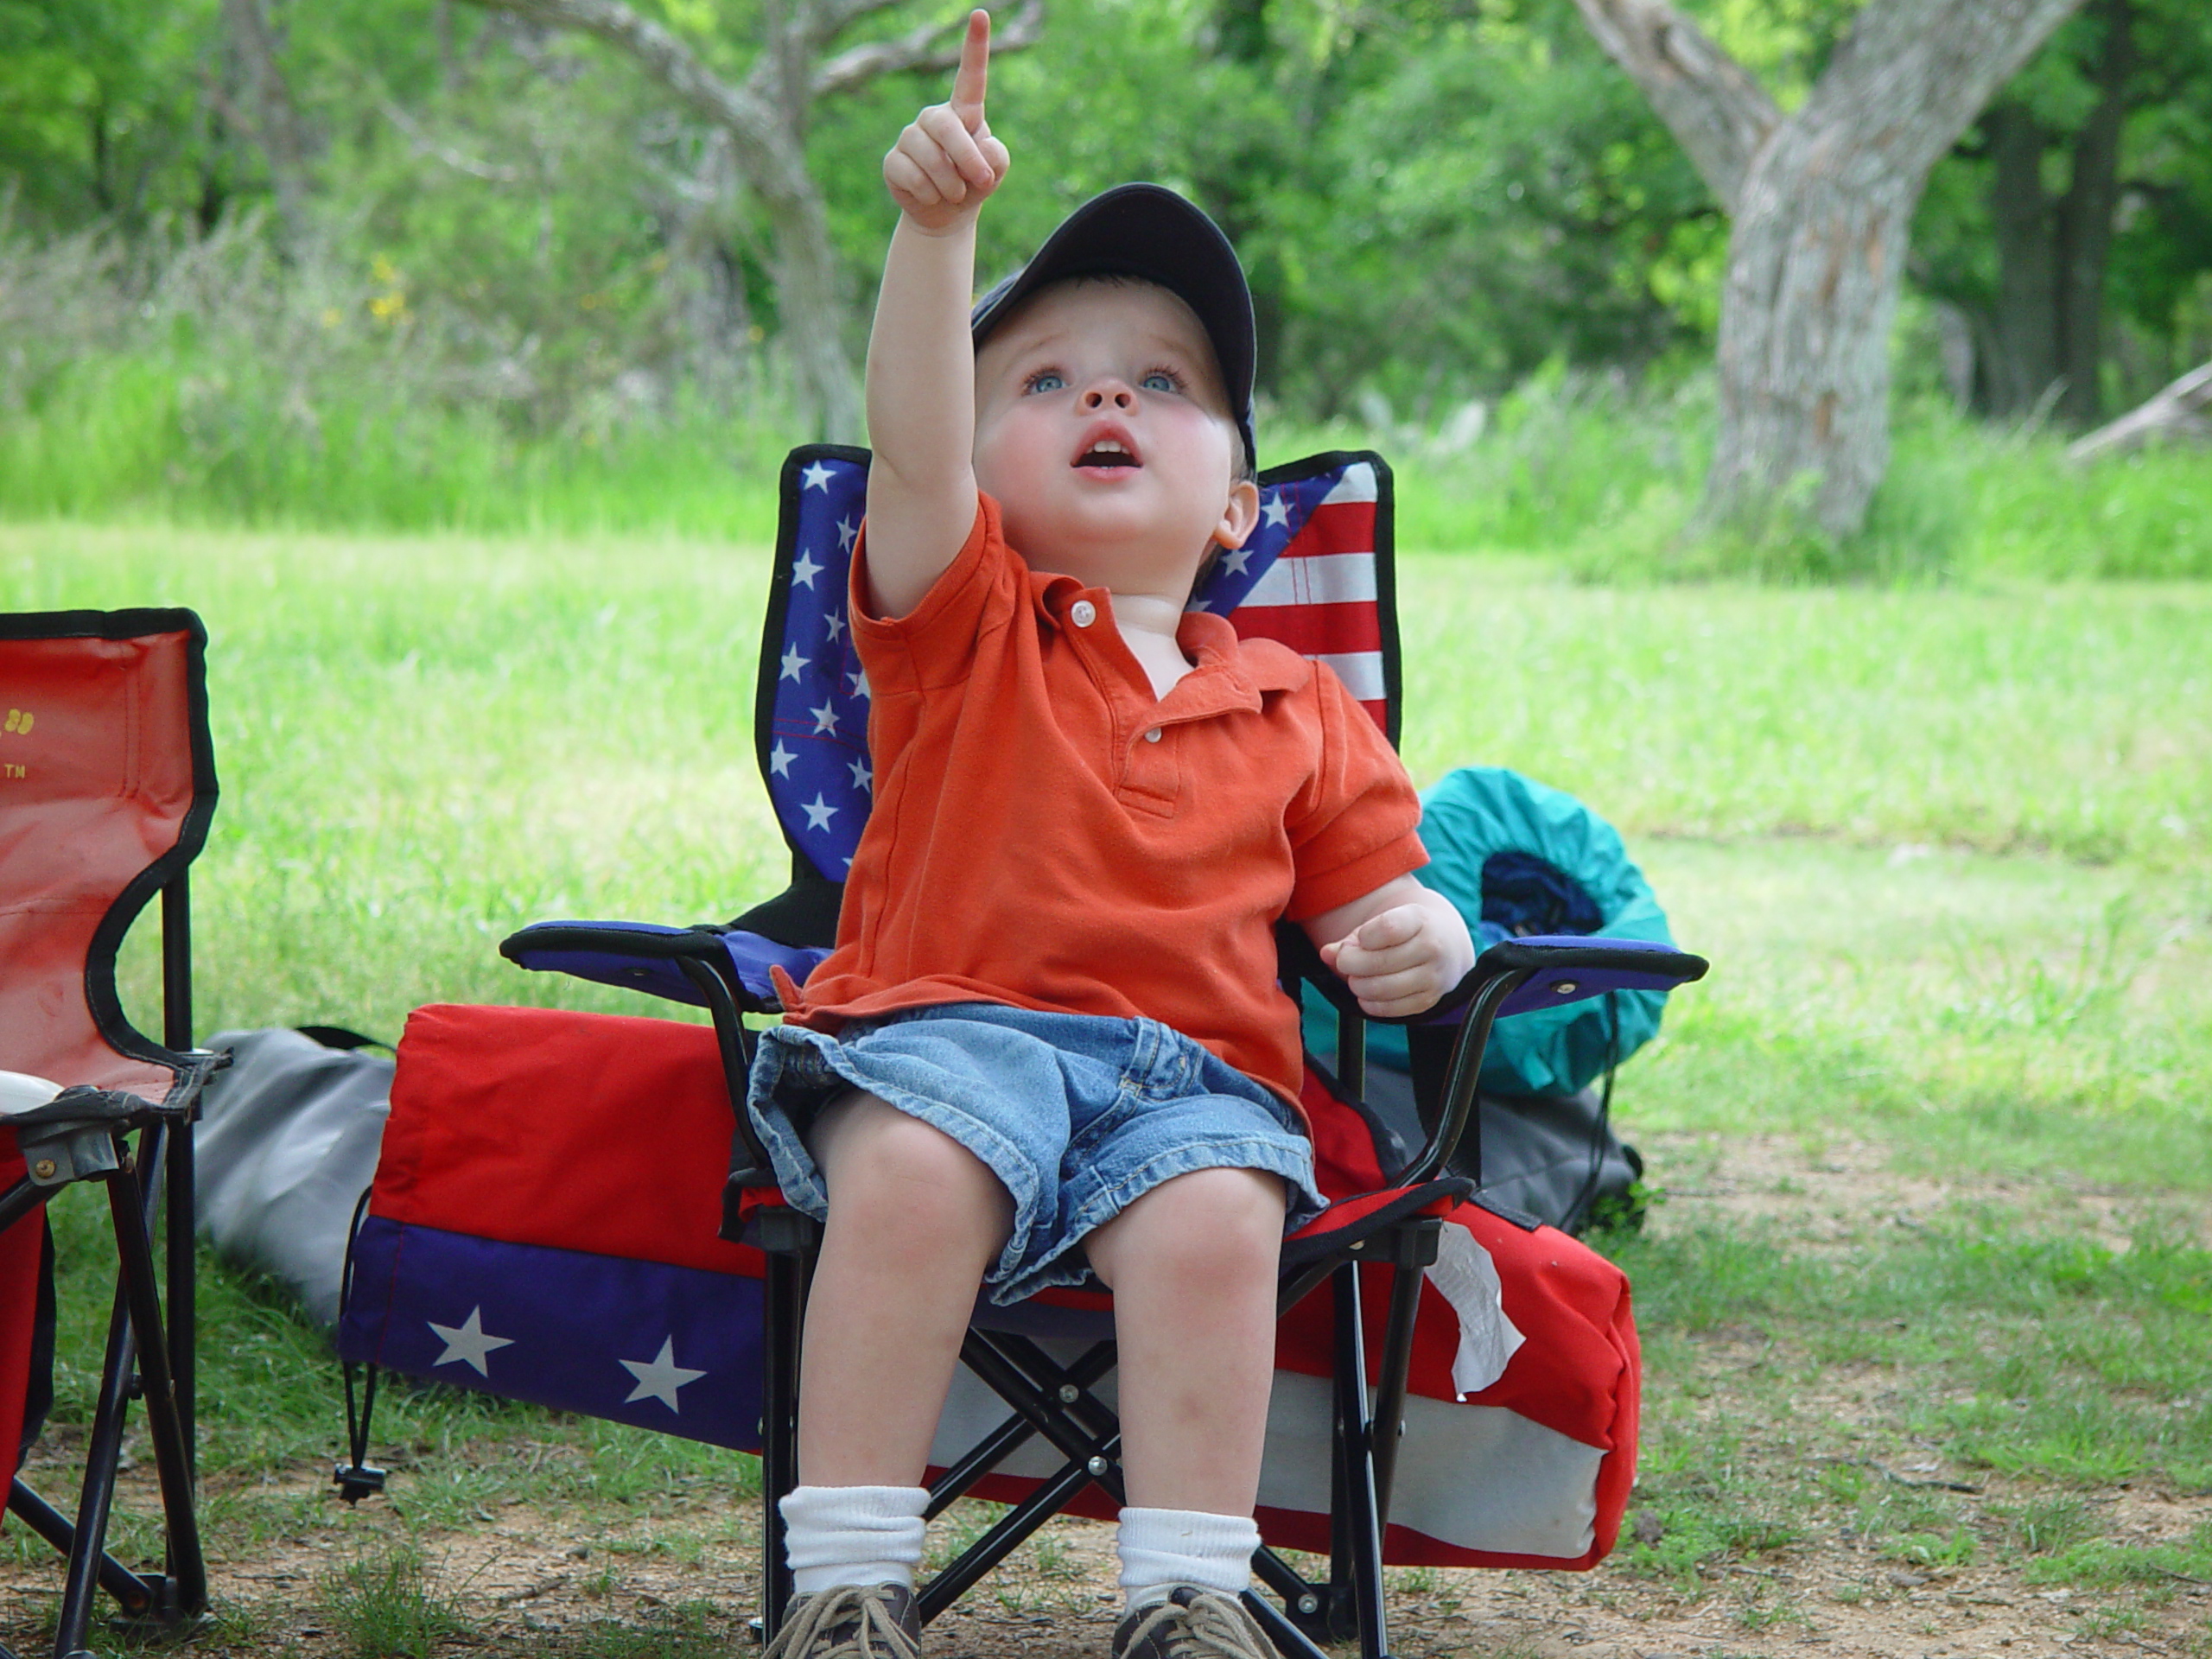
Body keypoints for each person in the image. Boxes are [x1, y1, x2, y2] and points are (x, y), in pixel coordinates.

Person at [747, 14, 1475, 1657]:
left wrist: (1427, 946)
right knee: (925, 1172)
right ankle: (850, 1584)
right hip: (940, 1044)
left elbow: (1391, 902)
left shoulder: (1297, 703)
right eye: (1050, 379)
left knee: (1224, 1210)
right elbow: (915, 437)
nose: (1109, 399)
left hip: (1193, 1083)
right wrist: (939, 240)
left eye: (1163, 384)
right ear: (983, 467)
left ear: (1237, 505)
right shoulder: (963, 616)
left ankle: (1192, 1602)